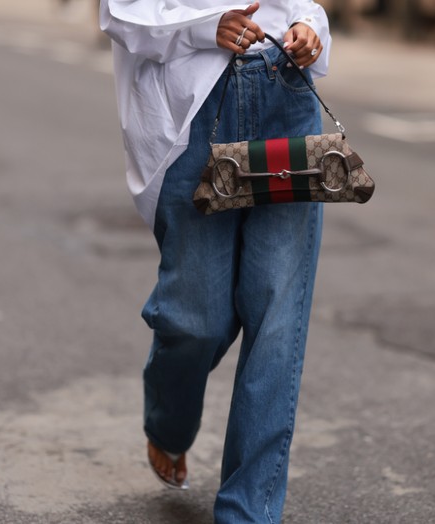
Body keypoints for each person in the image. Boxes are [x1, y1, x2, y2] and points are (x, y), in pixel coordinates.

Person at [98, 0, 330, 521]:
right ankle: (169, 422)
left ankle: (248, 512)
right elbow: (117, 12)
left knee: (277, 318)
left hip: (285, 94)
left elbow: (304, 4)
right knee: (197, 320)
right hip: (194, 112)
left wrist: (308, 27)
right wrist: (207, 27)